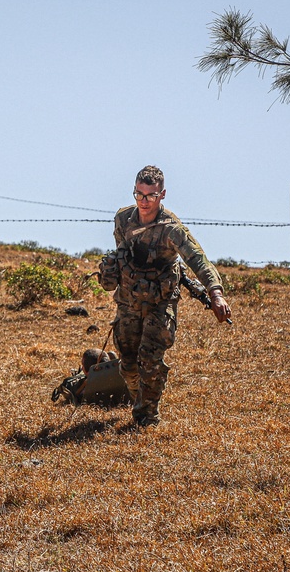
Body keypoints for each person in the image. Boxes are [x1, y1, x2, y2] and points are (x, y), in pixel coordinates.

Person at [90, 165, 231, 427]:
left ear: (162, 194)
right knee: (128, 364)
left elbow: (198, 261)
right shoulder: (123, 219)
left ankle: (146, 418)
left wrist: (216, 293)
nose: (144, 202)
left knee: (150, 360)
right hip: (129, 301)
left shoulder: (171, 228)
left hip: (160, 302)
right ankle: (138, 399)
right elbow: (123, 253)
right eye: (139, 194)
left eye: (151, 196)